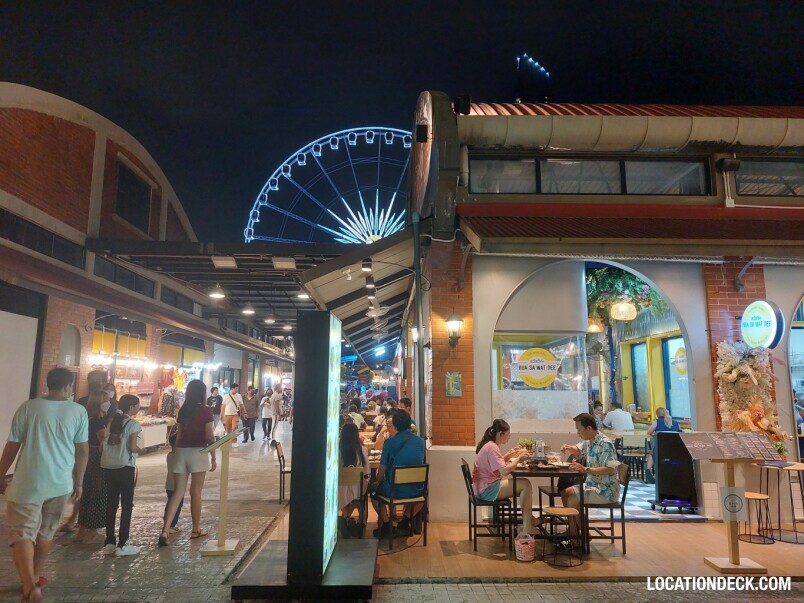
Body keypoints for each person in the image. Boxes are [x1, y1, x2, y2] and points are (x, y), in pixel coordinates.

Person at [0, 367, 88, 603]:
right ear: (69, 386)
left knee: (22, 533)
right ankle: (35, 577)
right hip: (60, 483)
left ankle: (30, 587)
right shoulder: (78, 411)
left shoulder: (29, 407)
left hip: (28, 482)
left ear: (48, 385)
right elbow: (82, 450)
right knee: (46, 532)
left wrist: (0, 474)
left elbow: (12, 446)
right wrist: (79, 481)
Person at [159, 379, 216, 546]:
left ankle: (165, 530)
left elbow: (179, 435)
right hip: (198, 452)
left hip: (181, 452)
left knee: (178, 493)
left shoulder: (183, 410)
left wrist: (175, 451)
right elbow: (209, 436)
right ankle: (196, 529)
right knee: (196, 492)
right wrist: (213, 456)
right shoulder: (205, 411)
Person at [559, 413, 620, 546]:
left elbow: (610, 469)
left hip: (606, 490)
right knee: (565, 493)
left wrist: (586, 469)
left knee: (572, 499)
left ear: (589, 429)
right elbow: (578, 449)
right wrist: (569, 448)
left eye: (579, 429)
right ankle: (573, 531)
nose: (578, 433)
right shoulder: (589, 441)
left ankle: (580, 536)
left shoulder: (605, 444)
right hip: (592, 485)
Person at [472, 419, 537, 536]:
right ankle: (528, 526)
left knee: (524, 486)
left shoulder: (490, 445)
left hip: (482, 488)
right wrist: (518, 459)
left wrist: (510, 455)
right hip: (487, 490)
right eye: (508, 434)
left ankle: (529, 521)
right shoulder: (492, 447)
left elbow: (496, 464)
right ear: (500, 434)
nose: (509, 436)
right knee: (525, 484)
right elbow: (504, 471)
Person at [101, 394, 144, 557]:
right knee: (127, 506)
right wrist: (142, 450)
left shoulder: (112, 421)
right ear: (131, 407)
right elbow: (133, 447)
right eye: (137, 405)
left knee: (111, 505)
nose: (138, 408)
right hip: (125, 468)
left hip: (108, 467)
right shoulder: (133, 424)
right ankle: (123, 543)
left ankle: (109, 542)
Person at [371, 411, 426, 538]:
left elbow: (382, 469)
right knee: (424, 494)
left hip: (394, 490)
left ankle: (386, 525)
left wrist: (377, 482)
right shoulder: (421, 442)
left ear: (394, 425)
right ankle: (404, 523)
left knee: (373, 493)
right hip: (416, 490)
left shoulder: (390, 443)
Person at [75, 390, 111, 543]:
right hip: (97, 458)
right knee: (98, 492)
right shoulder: (97, 421)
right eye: (106, 400)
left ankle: (83, 529)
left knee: (88, 493)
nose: (109, 403)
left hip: (89, 458)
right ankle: (92, 531)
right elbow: (104, 440)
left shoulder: (89, 419)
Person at [338, 423, 370, 538]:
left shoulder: (338, 451)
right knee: (356, 493)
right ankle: (350, 519)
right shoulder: (362, 451)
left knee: (342, 492)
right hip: (359, 489)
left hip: (340, 490)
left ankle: (345, 518)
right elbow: (367, 473)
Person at [163, 427, 184, 535]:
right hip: (175, 485)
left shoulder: (169, 455)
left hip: (169, 485)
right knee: (176, 504)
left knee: (170, 503)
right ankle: (171, 524)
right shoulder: (177, 456)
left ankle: (169, 523)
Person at [222, 384, 245, 448]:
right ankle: (228, 441)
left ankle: (235, 441)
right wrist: (221, 414)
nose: (237, 390)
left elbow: (241, 404)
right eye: (236, 388)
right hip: (227, 414)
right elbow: (223, 406)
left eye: (237, 388)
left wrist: (244, 412)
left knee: (234, 428)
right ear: (232, 389)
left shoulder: (239, 396)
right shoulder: (226, 396)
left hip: (235, 414)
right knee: (228, 429)